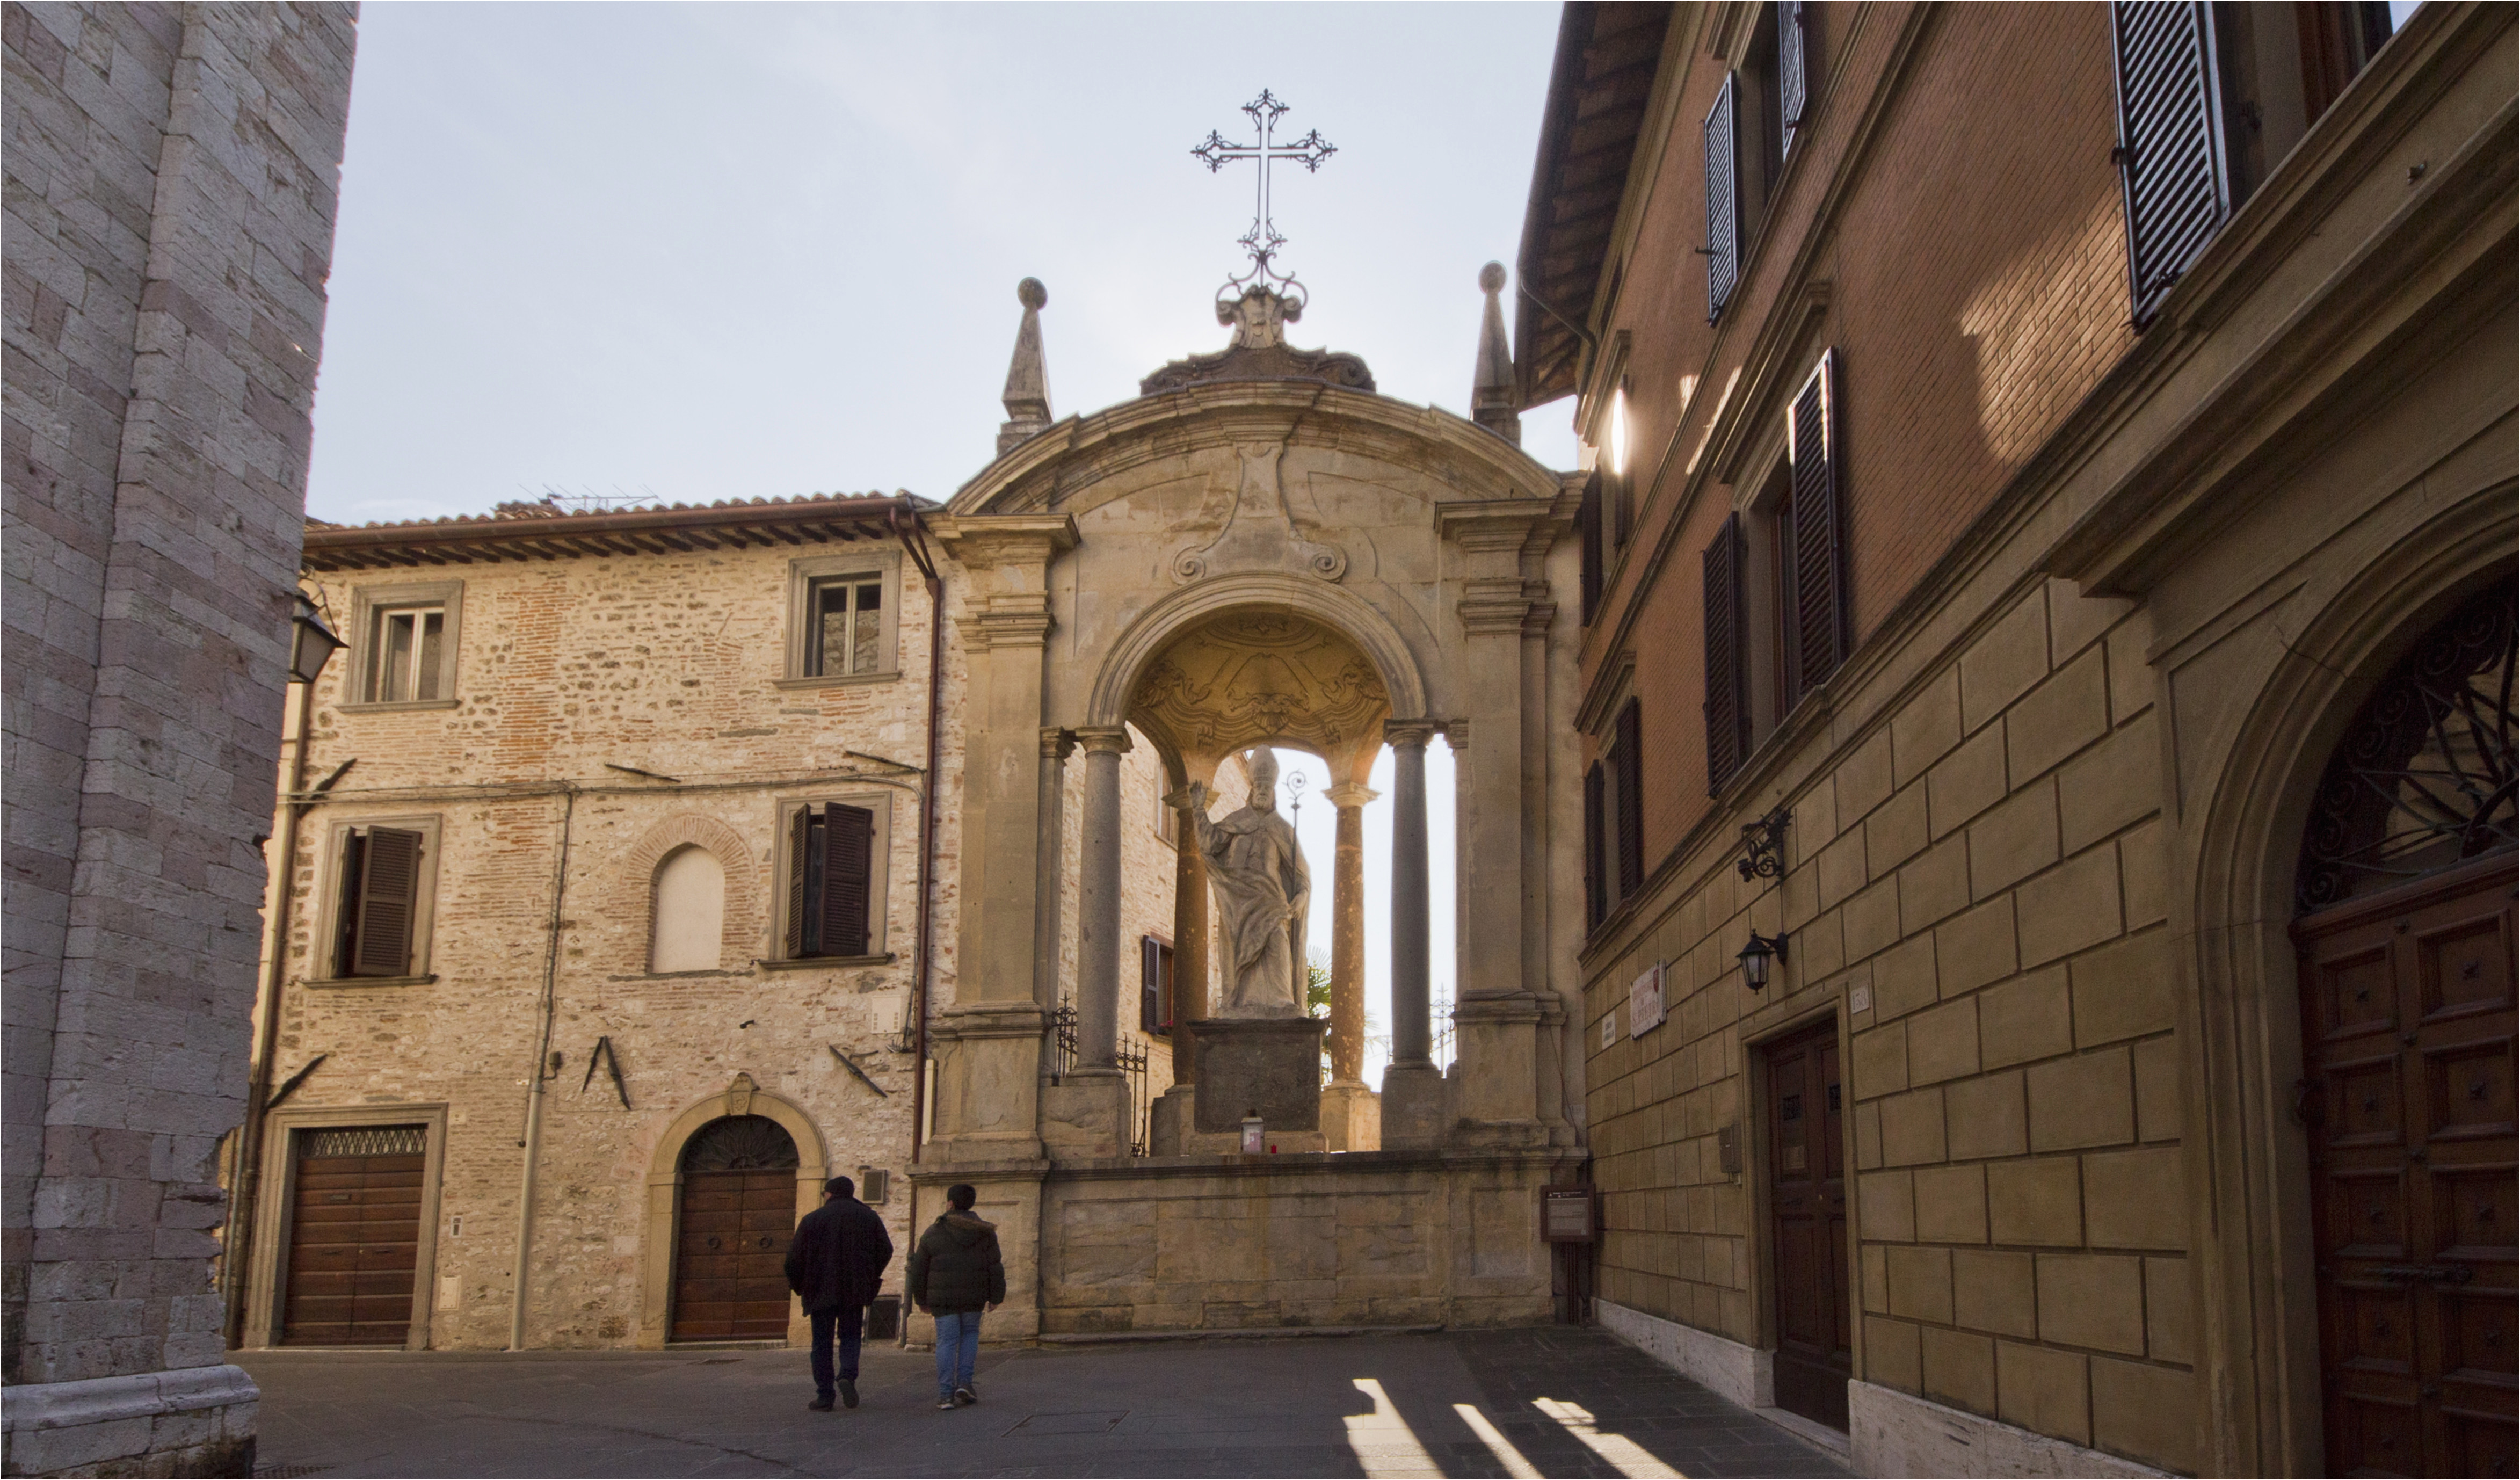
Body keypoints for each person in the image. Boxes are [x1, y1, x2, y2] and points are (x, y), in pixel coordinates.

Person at [783, 1174, 893, 1412]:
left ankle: (825, 1395)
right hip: (855, 1289)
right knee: (851, 1336)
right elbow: (886, 1249)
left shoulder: (812, 1219)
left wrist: (800, 1285)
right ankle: (847, 1375)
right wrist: (870, 1275)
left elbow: (793, 1259)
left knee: (821, 1343)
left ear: (829, 1193)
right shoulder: (868, 1217)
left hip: (819, 1290)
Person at [906, 1182, 1003, 1410]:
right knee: (969, 1336)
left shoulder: (933, 1232)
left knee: (947, 1341)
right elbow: (995, 1267)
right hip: (974, 1295)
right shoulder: (985, 1233)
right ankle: (965, 1384)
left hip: (943, 1299)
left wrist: (921, 1299)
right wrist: (996, 1296)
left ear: (950, 1203)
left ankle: (945, 1394)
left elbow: (919, 1269)